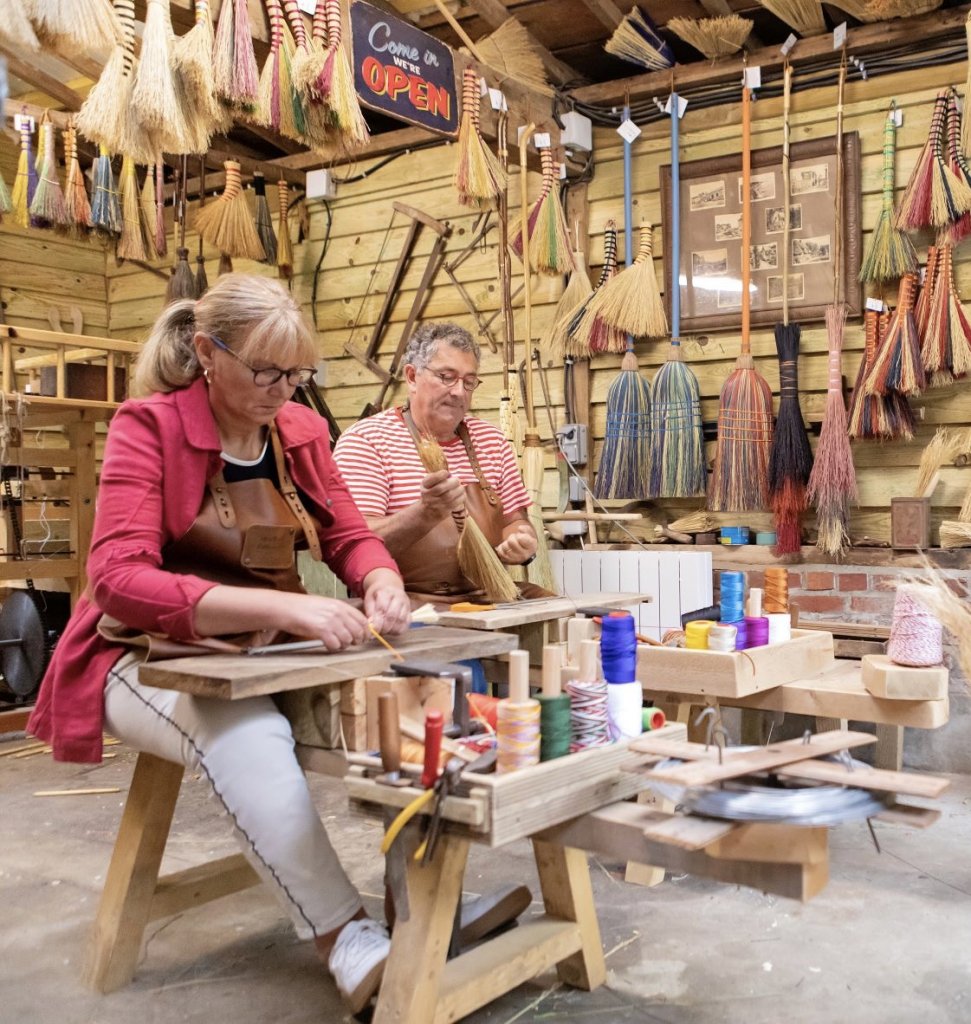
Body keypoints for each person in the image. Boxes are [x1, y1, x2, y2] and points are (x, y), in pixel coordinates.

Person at [26, 274, 412, 1014]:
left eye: (297, 374)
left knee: (409, 703)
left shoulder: (299, 431)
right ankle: (346, 939)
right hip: (140, 654)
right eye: (266, 372)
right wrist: (281, 606)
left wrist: (380, 578)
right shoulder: (148, 427)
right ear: (207, 352)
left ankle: (414, 910)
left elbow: (349, 535)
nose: (283, 391)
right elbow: (117, 579)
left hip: (265, 646)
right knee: (243, 731)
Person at [332, 322, 541, 604]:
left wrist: (522, 540)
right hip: (407, 601)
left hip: (488, 596)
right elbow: (355, 543)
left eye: (469, 382)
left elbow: (515, 522)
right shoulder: (367, 441)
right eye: (447, 377)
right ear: (411, 377)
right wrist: (425, 513)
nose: (459, 392)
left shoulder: (491, 440)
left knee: (564, 614)